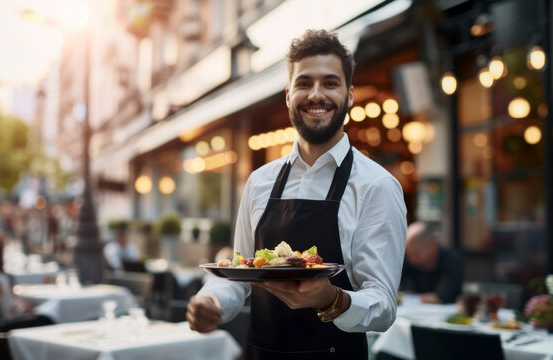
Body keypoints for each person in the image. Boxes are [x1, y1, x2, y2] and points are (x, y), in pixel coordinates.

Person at [186, 29, 407, 359]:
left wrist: (331, 298)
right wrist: (212, 300)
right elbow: (239, 274)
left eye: (330, 83)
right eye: (304, 83)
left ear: (349, 96)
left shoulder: (377, 185)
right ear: (289, 95)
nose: (316, 94)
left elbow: (383, 304)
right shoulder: (259, 182)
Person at [400, 221, 463, 304]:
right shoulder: (407, 261)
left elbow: (442, 297)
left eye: (417, 254)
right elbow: (400, 292)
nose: (412, 259)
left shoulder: (452, 260)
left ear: (433, 246)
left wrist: (410, 298)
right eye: (409, 254)